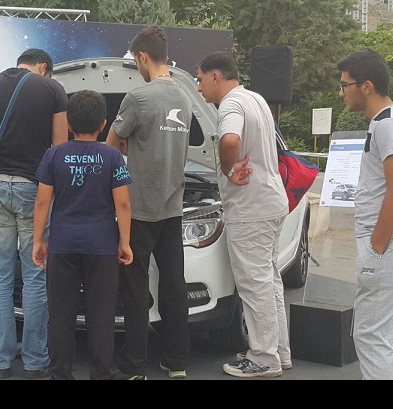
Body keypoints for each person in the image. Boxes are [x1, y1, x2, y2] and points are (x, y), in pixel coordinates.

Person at [0, 48, 69, 379]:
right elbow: (58, 148)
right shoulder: (52, 89)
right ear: (43, 67)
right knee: (35, 275)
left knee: (0, 276)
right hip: (34, 190)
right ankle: (36, 360)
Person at [195, 51, 290, 378]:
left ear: (216, 77)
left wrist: (228, 168)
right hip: (271, 202)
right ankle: (279, 351)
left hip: (251, 209)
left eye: (200, 80)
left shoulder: (231, 105)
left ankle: (263, 357)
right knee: (269, 281)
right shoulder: (256, 99)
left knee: (254, 284)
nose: (199, 88)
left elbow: (230, 139)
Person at [105, 25, 191, 380]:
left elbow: (110, 147)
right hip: (173, 207)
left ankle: (135, 365)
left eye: (136, 62)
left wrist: (127, 143)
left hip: (138, 209)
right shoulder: (185, 97)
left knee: (135, 289)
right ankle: (177, 361)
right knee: (174, 286)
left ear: (143, 57)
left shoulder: (138, 98)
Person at [32, 90, 134, 380]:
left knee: (61, 314)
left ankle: (60, 372)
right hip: (102, 246)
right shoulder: (113, 156)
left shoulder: (54, 155)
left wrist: (38, 240)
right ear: (103, 124)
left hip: (63, 245)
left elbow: (42, 202)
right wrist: (124, 242)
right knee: (101, 314)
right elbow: (122, 203)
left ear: (68, 124)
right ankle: (101, 372)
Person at [336, 49, 393, 380]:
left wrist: (376, 244)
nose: (342, 93)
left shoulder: (389, 125)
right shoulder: (391, 121)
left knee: (371, 335)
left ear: (367, 86)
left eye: (345, 85)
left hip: (390, 244)